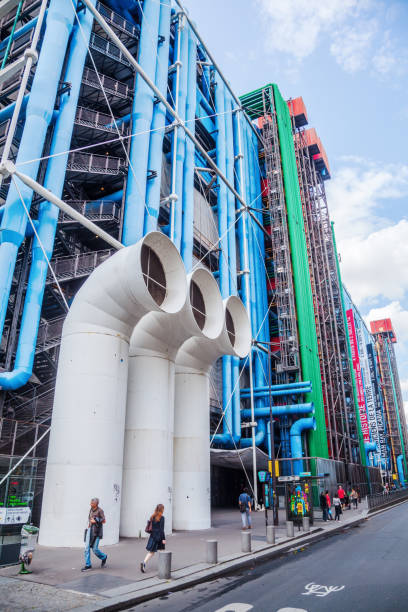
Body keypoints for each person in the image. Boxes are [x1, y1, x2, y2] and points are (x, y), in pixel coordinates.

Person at [82, 497, 107, 571]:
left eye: (92, 503)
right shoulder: (91, 509)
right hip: (90, 530)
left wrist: (95, 520)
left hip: (97, 532)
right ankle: (88, 565)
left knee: (95, 549)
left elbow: (104, 520)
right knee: (87, 548)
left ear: (96, 504)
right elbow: (89, 519)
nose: (90, 504)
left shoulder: (100, 511)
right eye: (91, 502)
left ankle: (104, 557)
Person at [141, 504, 166, 573]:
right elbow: (161, 530)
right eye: (163, 508)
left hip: (153, 537)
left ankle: (144, 563)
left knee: (151, 552)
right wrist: (163, 539)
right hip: (159, 537)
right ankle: (163, 567)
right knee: (162, 551)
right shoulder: (162, 518)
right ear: (161, 509)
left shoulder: (152, 517)